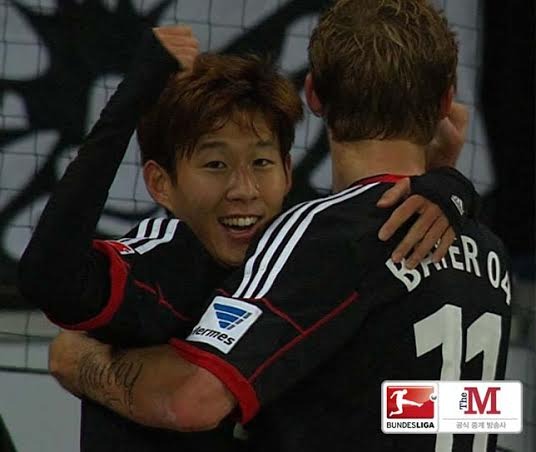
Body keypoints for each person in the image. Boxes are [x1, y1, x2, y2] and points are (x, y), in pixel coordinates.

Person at [46, 1, 511, 451]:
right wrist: (447, 179)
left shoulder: (321, 232)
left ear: (313, 94)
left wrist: (82, 363)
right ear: (446, 100)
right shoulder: (488, 250)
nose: (243, 189)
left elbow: (192, 401)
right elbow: (482, 411)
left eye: (261, 162)